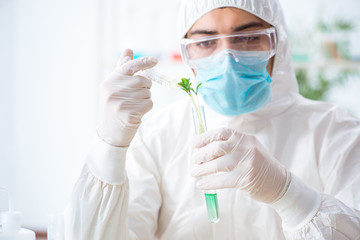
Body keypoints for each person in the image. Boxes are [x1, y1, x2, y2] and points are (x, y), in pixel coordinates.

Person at [64, 0, 360, 239]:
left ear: (277, 42)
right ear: (187, 52)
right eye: (206, 43)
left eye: (247, 38)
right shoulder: (157, 135)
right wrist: (109, 147)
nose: (227, 57)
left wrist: (289, 195)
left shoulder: (335, 131)